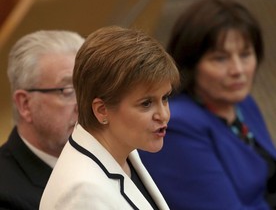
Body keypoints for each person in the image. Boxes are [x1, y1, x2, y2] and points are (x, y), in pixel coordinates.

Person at [139, 0, 276, 209]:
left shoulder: (242, 103)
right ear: (191, 63)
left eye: (245, 55)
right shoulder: (175, 127)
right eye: (220, 58)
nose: (238, 70)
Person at [39, 26, 180, 209]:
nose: (163, 115)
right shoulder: (83, 193)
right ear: (102, 110)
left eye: (165, 98)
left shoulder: (125, 149)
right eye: (146, 103)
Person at [0, 30, 84, 210]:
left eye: (87, 88)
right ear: (25, 105)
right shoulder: (5, 195)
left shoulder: (114, 162)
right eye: (67, 91)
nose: (83, 105)